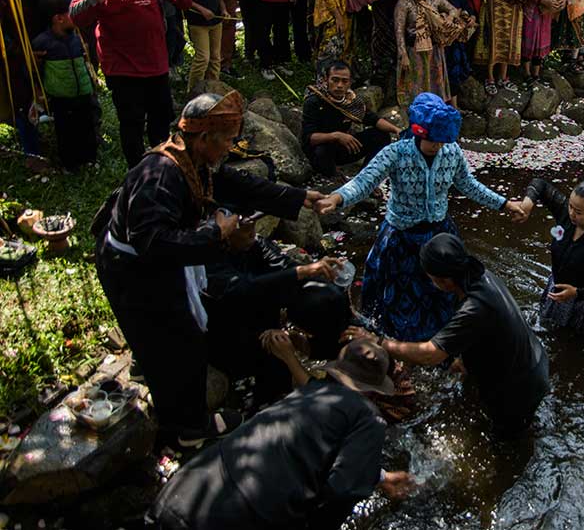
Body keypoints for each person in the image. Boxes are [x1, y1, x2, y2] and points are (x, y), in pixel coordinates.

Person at [93, 91, 325, 447]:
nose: (230, 148)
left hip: (155, 264)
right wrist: (216, 231)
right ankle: (188, 431)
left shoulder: (195, 161)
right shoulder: (160, 175)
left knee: (179, 338)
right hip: (133, 271)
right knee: (178, 342)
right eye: (228, 141)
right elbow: (153, 243)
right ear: (204, 138)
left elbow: (237, 183)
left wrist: (295, 197)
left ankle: (173, 401)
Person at [317, 93, 525, 341]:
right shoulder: (395, 153)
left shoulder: (452, 152)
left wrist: (504, 204)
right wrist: (337, 198)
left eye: (442, 141)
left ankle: (440, 342)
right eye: (432, 141)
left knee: (442, 292)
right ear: (418, 132)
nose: (437, 146)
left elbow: (469, 185)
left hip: (439, 234)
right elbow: (364, 181)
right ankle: (389, 341)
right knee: (393, 295)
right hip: (400, 236)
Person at [148, 337, 414, 529]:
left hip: (184, 489)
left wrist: (377, 476)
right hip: (238, 516)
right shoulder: (368, 416)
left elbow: (303, 451)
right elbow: (344, 489)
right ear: (373, 389)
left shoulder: (305, 394)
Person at [341, 233, 550, 436]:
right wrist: (462, 359)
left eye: (430, 277)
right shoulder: (478, 274)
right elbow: (484, 332)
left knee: (505, 441)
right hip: (531, 361)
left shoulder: (474, 307)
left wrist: (378, 341)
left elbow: (429, 354)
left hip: (519, 387)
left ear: (444, 280)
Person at [70, 0, 192, 168]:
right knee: (132, 123)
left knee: (161, 122)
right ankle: (136, 174)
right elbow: (76, 15)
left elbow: (184, 2)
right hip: (122, 65)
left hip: (156, 62)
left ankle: (162, 173)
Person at [201, 222, 354, 406]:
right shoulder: (207, 258)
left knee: (327, 298)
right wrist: (302, 271)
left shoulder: (256, 245)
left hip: (265, 325)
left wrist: (315, 272)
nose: (252, 232)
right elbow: (240, 289)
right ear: (225, 232)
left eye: (253, 225)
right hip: (228, 333)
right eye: (244, 227)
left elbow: (284, 267)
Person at [518, 179, 584, 334]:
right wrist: (528, 203)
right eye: (570, 206)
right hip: (558, 288)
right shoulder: (566, 214)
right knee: (549, 328)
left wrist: (576, 292)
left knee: (574, 340)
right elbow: (540, 184)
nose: (571, 213)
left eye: (578, 212)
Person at [1, 0, 61, 167]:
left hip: (46, 48)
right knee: (22, 100)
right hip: (13, 54)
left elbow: (57, 13)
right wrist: (19, 52)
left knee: (53, 95)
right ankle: (32, 152)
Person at [30, 0, 98, 170]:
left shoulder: (77, 37)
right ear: (58, 19)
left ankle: (90, 159)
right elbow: (35, 71)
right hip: (61, 97)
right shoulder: (42, 43)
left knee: (87, 126)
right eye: (72, 12)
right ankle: (70, 164)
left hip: (83, 92)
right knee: (66, 132)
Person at [394, 0, 473, 106]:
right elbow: (399, 31)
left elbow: (453, 10)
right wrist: (403, 54)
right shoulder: (404, 3)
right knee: (417, 88)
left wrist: (449, 18)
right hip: (414, 51)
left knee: (436, 87)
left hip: (435, 49)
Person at [301, 58, 400, 173]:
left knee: (381, 136)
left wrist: (397, 130)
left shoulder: (351, 101)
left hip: (343, 149)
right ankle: (333, 174)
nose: (339, 85)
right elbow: (308, 138)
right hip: (321, 150)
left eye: (344, 81)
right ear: (325, 80)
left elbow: (374, 120)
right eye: (335, 80)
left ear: (350, 83)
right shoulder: (314, 101)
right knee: (321, 151)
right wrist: (336, 136)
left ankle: (366, 176)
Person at [434, 0, 476, 86]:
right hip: (443, 32)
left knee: (457, 62)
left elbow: (466, 4)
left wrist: (472, 16)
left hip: (458, 33)